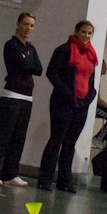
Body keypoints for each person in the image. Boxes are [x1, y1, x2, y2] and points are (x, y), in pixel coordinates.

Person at [37, 20, 98, 193]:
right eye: (84, 32)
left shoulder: (91, 55)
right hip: (62, 102)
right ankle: (45, 179)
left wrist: (88, 99)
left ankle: (64, 180)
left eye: (89, 33)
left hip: (81, 105)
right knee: (56, 140)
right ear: (76, 31)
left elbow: (91, 82)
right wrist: (68, 94)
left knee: (70, 143)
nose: (86, 36)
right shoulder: (64, 50)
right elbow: (52, 73)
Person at [0, 12, 41, 186]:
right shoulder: (11, 45)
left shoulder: (31, 48)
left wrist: (27, 63)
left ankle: (10, 173)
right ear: (18, 25)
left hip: (27, 98)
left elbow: (38, 68)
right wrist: (27, 63)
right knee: (3, 135)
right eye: (25, 24)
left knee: (19, 137)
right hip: (12, 96)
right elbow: (20, 64)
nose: (28, 28)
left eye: (31, 25)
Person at [92, 60, 107, 149]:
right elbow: (98, 100)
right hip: (93, 107)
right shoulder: (95, 80)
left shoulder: (97, 80)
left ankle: (103, 139)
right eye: (105, 66)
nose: (106, 68)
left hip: (96, 106)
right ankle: (98, 138)